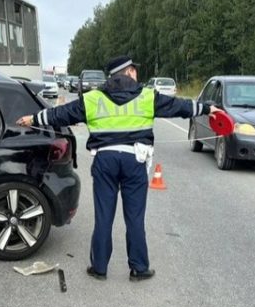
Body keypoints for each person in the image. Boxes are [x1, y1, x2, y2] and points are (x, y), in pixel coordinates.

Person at [16, 55, 220, 282]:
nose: (137, 73)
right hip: (135, 161)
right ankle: (139, 269)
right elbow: (179, 107)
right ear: (129, 72)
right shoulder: (147, 96)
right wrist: (206, 108)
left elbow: (62, 113)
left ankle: (99, 268)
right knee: (135, 218)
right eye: (135, 70)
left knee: (104, 216)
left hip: (105, 162)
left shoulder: (93, 98)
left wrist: (33, 118)